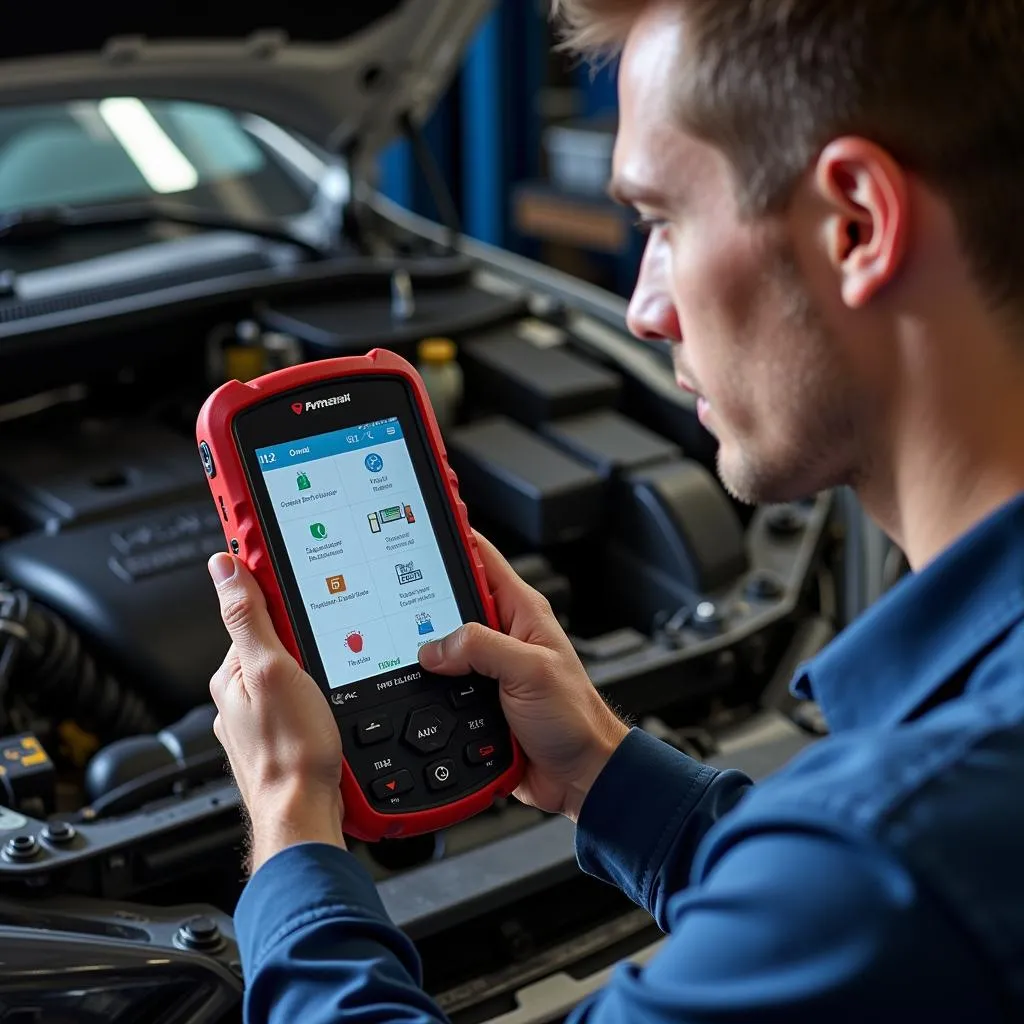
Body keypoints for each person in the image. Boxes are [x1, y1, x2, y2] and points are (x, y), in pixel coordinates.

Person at [206, 1, 1024, 1020]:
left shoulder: (900, 851)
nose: (642, 308)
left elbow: (868, 883)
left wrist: (288, 825)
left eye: (661, 221)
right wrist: (600, 770)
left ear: (854, 222)